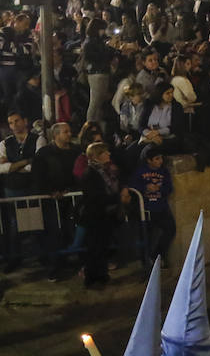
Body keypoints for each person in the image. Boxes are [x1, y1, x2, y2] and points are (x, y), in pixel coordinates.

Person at [31, 122, 80, 281]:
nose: (69, 134)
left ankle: (67, 260)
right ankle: (54, 266)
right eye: (65, 132)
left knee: (69, 230)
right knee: (54, 233)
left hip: (71, 197)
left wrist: (71, 189)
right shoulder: (44, 154)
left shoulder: (75, 151)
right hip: (51, 200)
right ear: (56, 135)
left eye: (69, 131)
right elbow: (38, 176)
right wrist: (50, 192)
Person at [0, 111, 46, 273]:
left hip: (31, 187)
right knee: (15, 225)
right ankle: (15, 258)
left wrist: (13, 166)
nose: (14, 125)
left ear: (25, 121)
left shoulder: (38, 139)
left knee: (36, 221)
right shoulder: (5, 143)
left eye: (16, 121)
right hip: (12, 189)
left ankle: (42, 255)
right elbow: (2, 168)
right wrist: (26, 161)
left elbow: (37, 165)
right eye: (10, 123)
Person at [80, 142, 130, 288]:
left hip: (105, 215)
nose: (108, 154)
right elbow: (96, 197)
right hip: (96, 216)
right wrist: (118, 198)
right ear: (96, 156)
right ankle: (92, 278)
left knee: (102, 247)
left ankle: (101, 276)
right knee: (95, 248)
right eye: (104, 152)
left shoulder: (106, 171)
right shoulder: (90, 174)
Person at [130, 151, 175, 266]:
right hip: (146, 209)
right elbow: (134, 186)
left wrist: (159, 189)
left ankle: (157, 255)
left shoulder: (164, 171)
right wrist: (146, 188)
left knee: (170, 229)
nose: (160, 161)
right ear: (149, 160)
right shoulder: (140, 171)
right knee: (146, 236)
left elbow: (169, 188)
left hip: (161, 207)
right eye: (156, 158)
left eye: (161, 158)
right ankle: (146, 263)